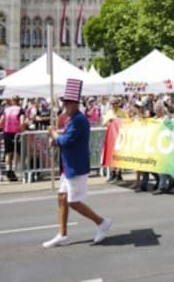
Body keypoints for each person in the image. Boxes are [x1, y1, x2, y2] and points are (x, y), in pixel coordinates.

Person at [43, 79, 113, 248]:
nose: (64, 105)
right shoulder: (72, 119)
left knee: (73, 202)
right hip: (68, 165)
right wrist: (56, 139)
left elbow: (66, 140)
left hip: (76, 167)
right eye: (64, 102)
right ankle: (62, 234)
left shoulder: (78, 120)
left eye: (66, 102)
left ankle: (102, 222)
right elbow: (65, 139)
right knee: (61, 197)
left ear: (74, 104)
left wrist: (54, 134)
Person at [0, 96, 25, 182]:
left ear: (12, 100)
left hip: (7, 133)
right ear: (19, 101)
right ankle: (16, 171)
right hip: (16, 133)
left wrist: (4, 128)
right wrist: (23, 130)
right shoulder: (20, 110)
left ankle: (8, 171)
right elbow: (21, 123)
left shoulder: (6, 110)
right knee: (18, 153)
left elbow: (0, 122)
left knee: (8, 153)